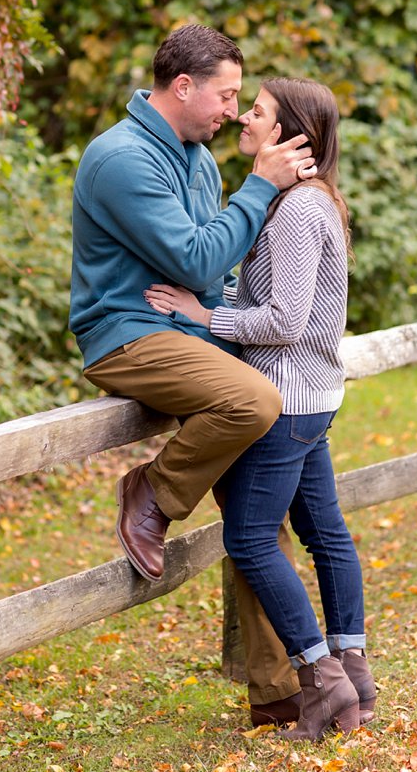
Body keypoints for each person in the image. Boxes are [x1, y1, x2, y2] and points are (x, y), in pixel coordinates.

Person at [69, 24, 317, 724]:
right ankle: (152, 489)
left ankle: (279, 693)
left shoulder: (196, 159)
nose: (235, 112)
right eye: (227, 94)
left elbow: (209, 278)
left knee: (257, 506)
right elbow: (197, 259)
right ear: (183, 86)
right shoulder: (119, 159)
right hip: (125, 335)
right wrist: (260, 188)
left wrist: (221, 317)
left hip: (186, 333)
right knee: (253, 399)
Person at [145, 78, 372, 740]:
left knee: (247, 537)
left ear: (290, 134)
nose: (244, 115)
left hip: (289, 398)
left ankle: (323, 680)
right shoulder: (305, 200)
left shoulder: (299, 209)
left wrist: (201, 314)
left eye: (260, 110)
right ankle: (354, 678)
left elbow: (284, 318)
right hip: (312, 395)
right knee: (323, 531)